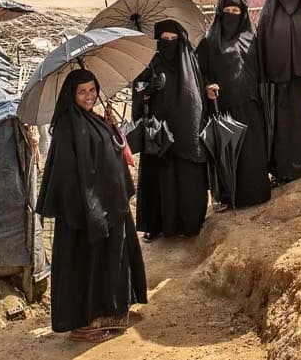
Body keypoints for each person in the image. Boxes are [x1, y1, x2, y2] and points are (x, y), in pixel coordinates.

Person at [35, 69, 147, 343]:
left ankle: (107, 313)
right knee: (84, 264)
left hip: (108, 204)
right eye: (82, 91)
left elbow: (108, 150)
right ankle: (84, 323)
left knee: (108, 260)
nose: (89, 96)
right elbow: (68, 173)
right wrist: (89, 210)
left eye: (92, 90)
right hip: (85, 213)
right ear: (71, 95)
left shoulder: (93, 118)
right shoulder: (66, 126)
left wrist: (109, 127)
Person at [132, 20, 208, 240]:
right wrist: (148, 89)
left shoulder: (191, 61)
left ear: (181, 40)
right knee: (158, 177)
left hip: (186, 130)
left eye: (174, 40)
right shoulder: (149, 63)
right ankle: (156, 225)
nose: (169, 44)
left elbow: (198, 95)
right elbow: (138, 93)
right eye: (164, 40)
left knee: (187, 177)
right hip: (159, 132)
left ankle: (189, 223)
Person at [196, 0, 271, 209]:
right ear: (220, 14)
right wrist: (208, 85)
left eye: (236, 12)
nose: (231, 16)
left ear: (243, 14)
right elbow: (201, 69)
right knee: (231, 151)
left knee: (253, 149)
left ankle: (257, 192)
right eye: (227, 12)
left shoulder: (252, 36)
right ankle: (230, 196)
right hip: (225, 107)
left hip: (250, 102)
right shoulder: (210, 41)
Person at [253, 0, 301, 183]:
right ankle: (281, 169)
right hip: (276, 78)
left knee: (300, 123)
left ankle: (300, 166)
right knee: (279, 125)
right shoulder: (271, 8)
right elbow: (261, 39)